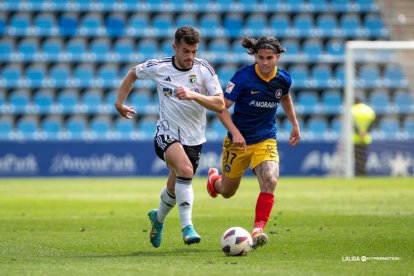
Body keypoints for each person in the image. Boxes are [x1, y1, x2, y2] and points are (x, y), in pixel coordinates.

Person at [115, 26, 225, 248]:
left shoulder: (204, 70)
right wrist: (119, 103)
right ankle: (188, 227)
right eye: (185, 51)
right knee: (185, 171)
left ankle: (158, 218)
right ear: (175, 47)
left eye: (194, 51)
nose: (190, 57)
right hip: (166, 133)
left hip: (194, 138)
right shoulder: (159, 67)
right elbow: (132, 74)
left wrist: (194, 95)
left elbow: (220, 104)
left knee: (175, 187)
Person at [206, 36, 301, 249]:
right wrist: (235, 132)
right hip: (237, 142)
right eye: (261, 58)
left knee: (271, 179)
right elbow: (222, 107)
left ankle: (258, 229)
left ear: (277, 57)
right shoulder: (243, 77)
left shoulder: (283, 79)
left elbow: (284, 97)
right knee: (228, 192)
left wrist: (295, 124)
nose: (265, 63)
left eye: (269, 58)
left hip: (265, 138)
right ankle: (214, 181)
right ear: (255, 56)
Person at [352, 100, 375, 176]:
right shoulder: (368, 109)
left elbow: (351, 123)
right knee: (363, 156)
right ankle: (363, 173)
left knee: (356, 158)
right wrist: (365, 131)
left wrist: (359, 131)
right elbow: (373, 121)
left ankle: (357, 173)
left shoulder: (352, 109)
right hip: (365, 137)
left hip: (355, 138)